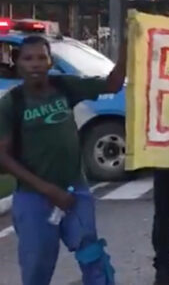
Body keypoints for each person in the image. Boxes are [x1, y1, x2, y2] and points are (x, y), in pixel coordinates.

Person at [0, 35, 125, 285]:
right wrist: (48, 190)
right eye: (28, 58)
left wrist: (126, 49)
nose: (35, 64)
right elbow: (2, 157)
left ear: (50, 62)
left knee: (93, 257)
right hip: (34, 198)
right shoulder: (12, 103)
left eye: (41, 58)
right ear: (17, 62)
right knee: (37, 267)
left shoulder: (64, 86)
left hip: (74, 191)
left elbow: (112, 85)